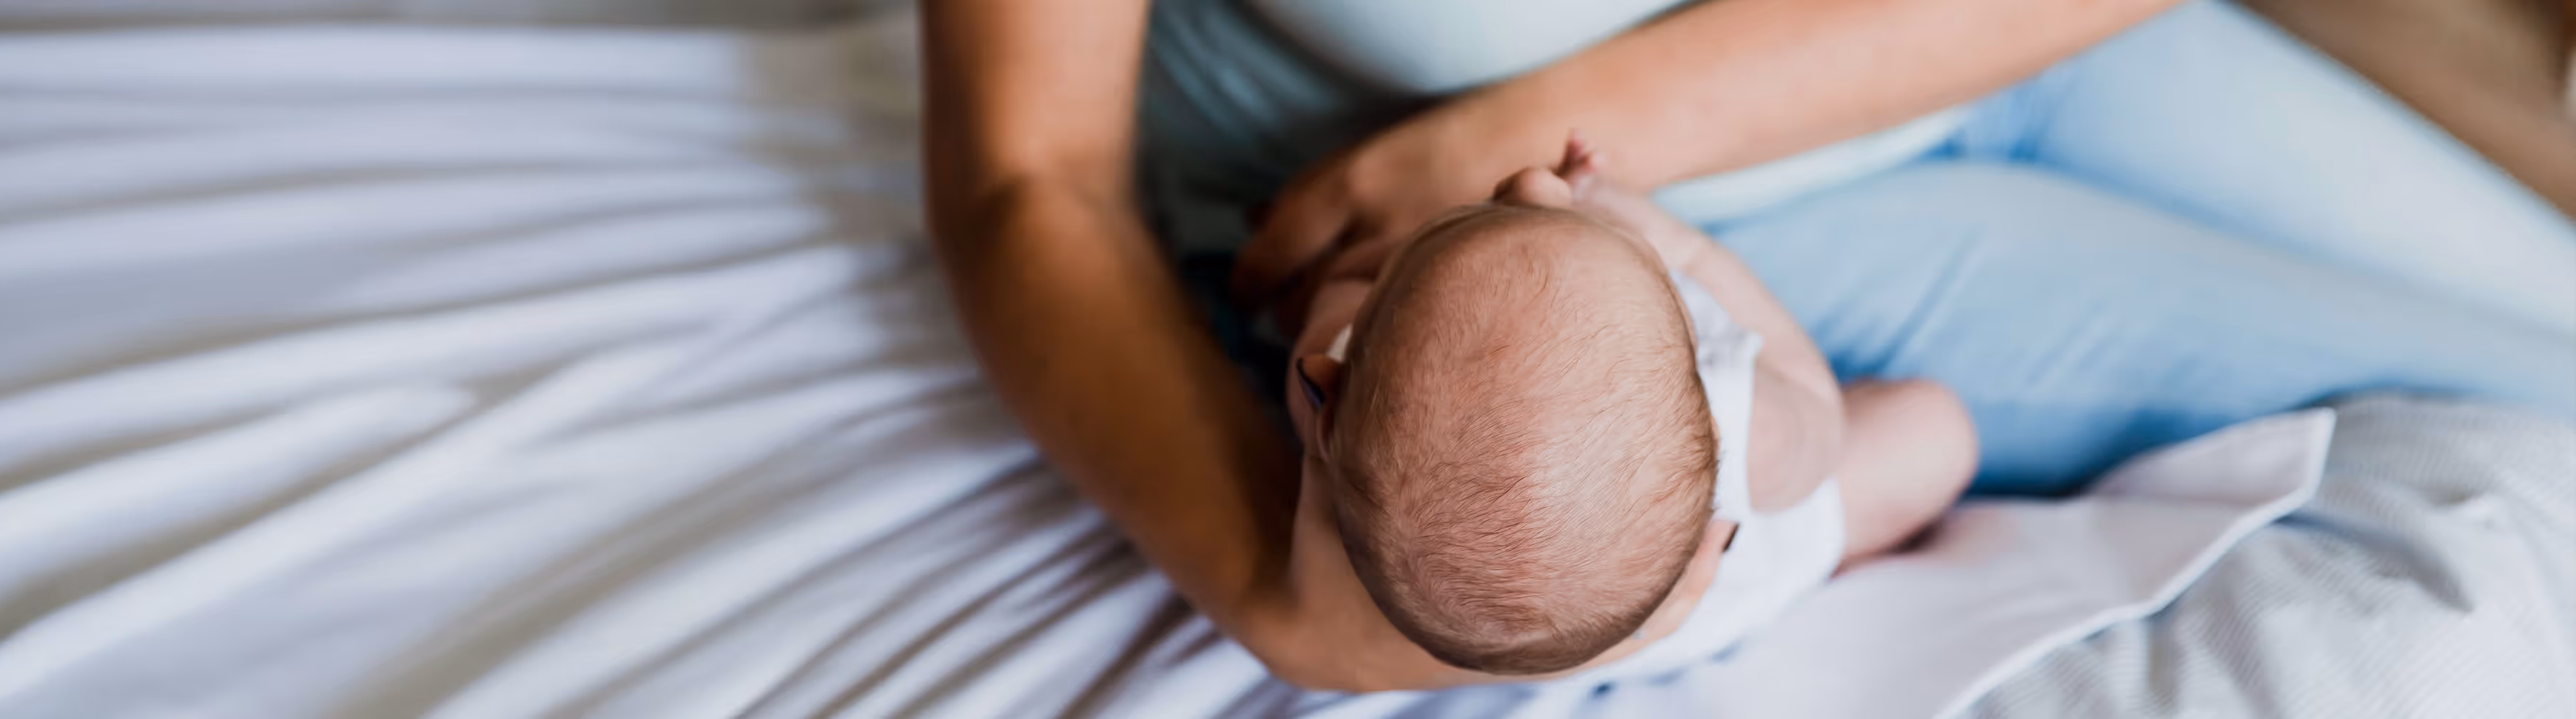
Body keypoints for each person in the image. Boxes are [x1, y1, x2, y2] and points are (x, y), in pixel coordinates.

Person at [918, 0, 2576, 692]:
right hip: (1587, 264)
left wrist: (1557, 116)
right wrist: (1277, 589)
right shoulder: (1604, 360)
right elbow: (1024, 172)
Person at [1296, 136, 1979, 678]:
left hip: (1599, 639)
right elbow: (1815, 406)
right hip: (1730, 589)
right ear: (1710, 427)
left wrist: (1408, 257)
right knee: (1934, 432)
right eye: (1513, 203)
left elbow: (1348, 277)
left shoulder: (1340, 386)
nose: (1537, 180)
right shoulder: (1747, 423)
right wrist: (1679, 244)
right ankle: (1833, 565)